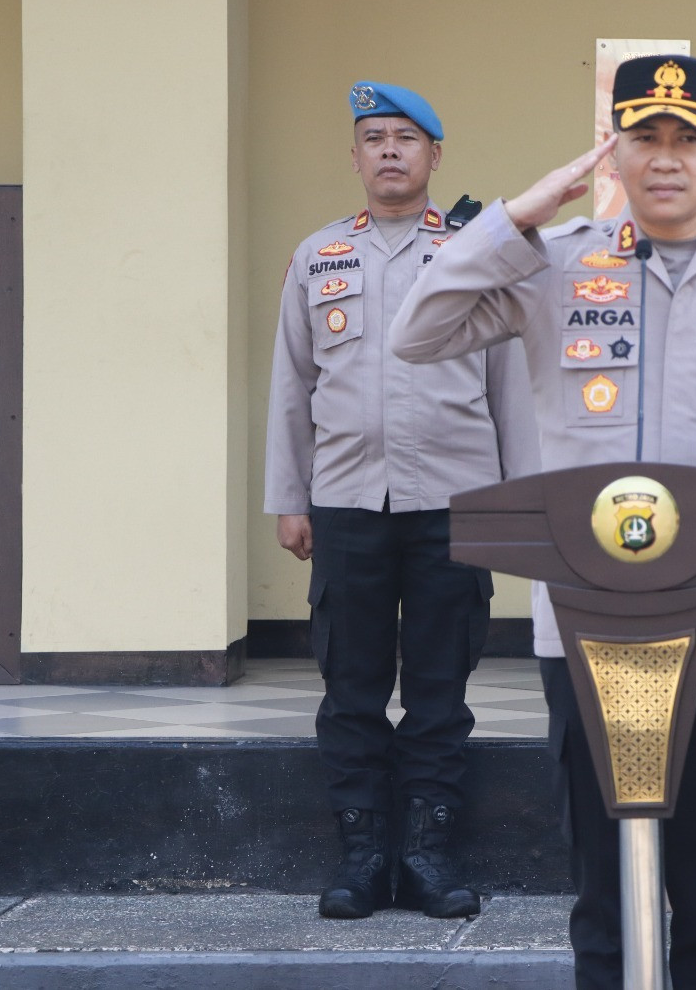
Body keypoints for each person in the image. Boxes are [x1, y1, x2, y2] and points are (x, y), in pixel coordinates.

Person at [390, 55, 696, 989]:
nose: (665, 159)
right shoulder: (552, 261)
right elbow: (416, 331)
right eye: (644, 137)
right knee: (604, 885)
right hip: (587, 617)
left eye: (687, 139)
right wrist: (514, 217)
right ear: (612, 149)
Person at [264, 80, 537, 921]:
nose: (389, 150)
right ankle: (361, 859)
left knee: (438, 689)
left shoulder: (469, 255)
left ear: (433, 155)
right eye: (374, 137)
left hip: (454, 502)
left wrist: (518, 508)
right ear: (354, 156)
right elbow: (291, 385)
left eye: (405, 138)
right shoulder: (319, 257)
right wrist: (290, 497)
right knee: (349, 687)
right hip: (345, 500)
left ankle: (427, 856)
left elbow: (511, 390)